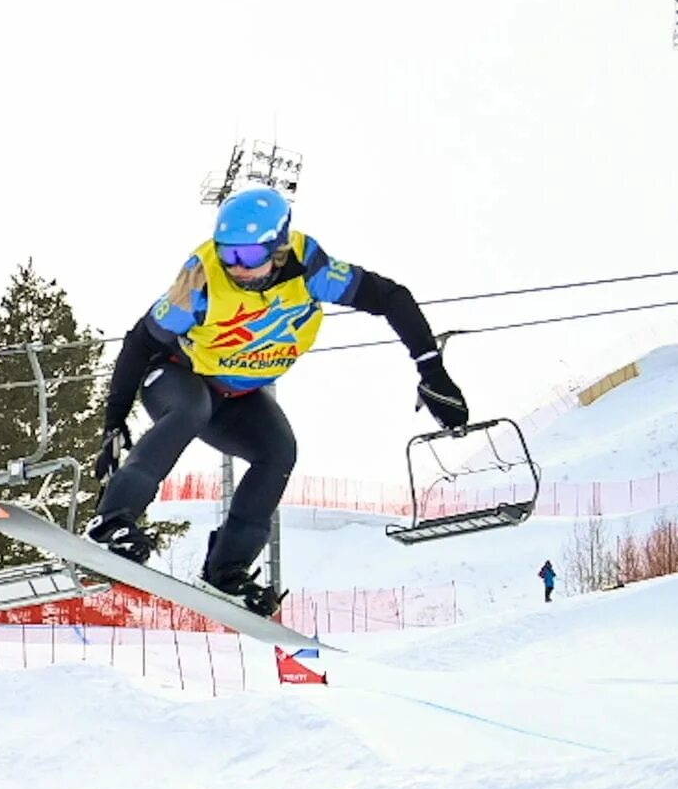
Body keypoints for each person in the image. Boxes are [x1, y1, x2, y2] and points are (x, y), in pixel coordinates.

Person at [87, 184, 467, 617]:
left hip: (236, 394)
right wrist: (114, 421)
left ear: (280, 247)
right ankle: (113, 521)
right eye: (228, 254)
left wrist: (432, 371)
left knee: (279, 450)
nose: (237, 268)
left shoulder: (311, 268)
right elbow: (139, 341)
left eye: (249, 256)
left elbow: (391, 298)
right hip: (175, 373)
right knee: (194, 408)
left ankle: (226, 573)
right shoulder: (202, 279)